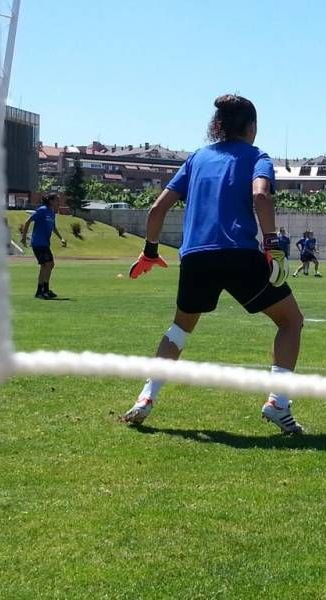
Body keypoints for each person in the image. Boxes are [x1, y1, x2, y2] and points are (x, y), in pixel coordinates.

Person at [122, 94, 305, 435]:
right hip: (239, 253)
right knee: (291, 321)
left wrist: (149, 251)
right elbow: (261, 196)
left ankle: (146, 397)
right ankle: (278, 402)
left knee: (179, 330)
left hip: (195, 256)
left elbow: (157, 210)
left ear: (217, 126)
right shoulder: (257, 156)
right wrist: (272, 246)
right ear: (251, 127)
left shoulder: (196, 159)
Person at [19, 192, 67, 299]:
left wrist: (61, 238)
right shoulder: (42, 210)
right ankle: (44, 290)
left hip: (45, 243)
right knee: (49, 264)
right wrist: (23, 237)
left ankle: (40, 291)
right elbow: (28, 222)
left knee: (45, 266)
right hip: (38, 242)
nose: (59, 202)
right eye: (57, 200)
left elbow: (53, 227)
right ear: (51, 201)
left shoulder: (52, 212)